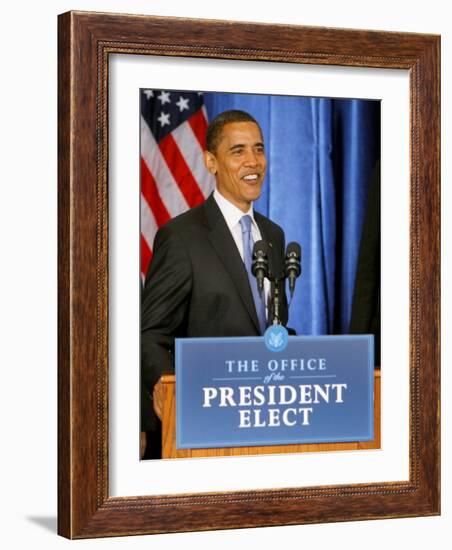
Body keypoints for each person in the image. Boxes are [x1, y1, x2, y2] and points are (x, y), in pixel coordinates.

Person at [141, 110, 289, 457]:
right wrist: (168, 396)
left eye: (259, 148)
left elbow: (267, 325)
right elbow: (152, 335)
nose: (253, 161)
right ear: (210, 162)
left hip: (267, 417)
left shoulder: (274, 236)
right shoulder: (181, 237)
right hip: (205, 417)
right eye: (238, 151)